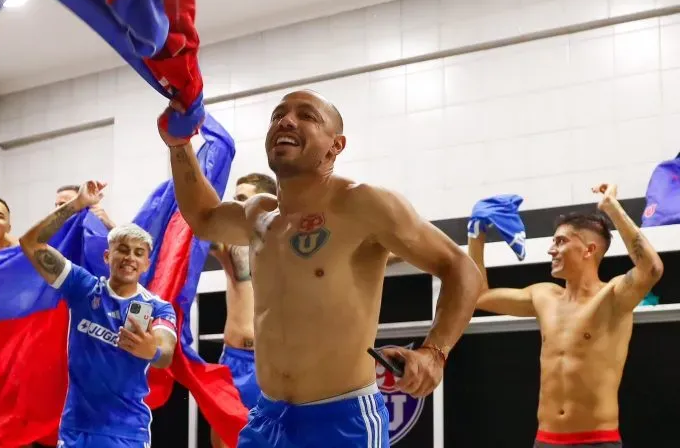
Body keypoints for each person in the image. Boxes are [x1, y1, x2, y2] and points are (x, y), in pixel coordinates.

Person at [159, 90, 483, 447]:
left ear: (335, 145)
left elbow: (460, 268)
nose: (286, 120)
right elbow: (203, 217)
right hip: (268, 418)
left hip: (341, 421)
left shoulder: (363, 203)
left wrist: (434, 353)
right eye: (278, 114)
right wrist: (179, 145)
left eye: (307, 116)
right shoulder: (257, 214)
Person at [469, 183, 663, 448]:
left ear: (589, 249)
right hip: (546, 440)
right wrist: (476, 235)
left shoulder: (613, 297)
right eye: (553, 242)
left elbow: (651, 268)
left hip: (596, 441)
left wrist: (612, 208)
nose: (551, 250)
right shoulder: (544, 296)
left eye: (560, 241)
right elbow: (479, 296)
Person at [19, 181, 177, 448]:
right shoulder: (83, 287)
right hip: (75, 428)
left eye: (139, 253)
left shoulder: (158, 307)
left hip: (126, 432)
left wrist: (154, 351)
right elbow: (31, 244)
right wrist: (76, 204)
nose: (130, 258)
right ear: (107, 256)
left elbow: (166, 352)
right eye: (123, 250)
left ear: (146, 265)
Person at [207, 173, 276, 448]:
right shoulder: (228, 240)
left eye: (242, 199)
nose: (236, 206)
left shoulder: (291, 246)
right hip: (233, 359)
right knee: (223, 440)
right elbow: (181, 236)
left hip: (270, 364)